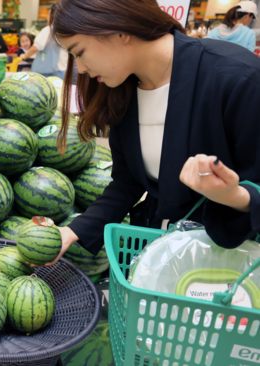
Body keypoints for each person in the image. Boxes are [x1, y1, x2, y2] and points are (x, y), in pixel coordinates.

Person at [36, 0, 260, 267]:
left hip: (229, 261)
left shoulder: (237, 79)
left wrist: (232, 195)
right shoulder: (122, 90)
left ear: (118, 29)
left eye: (79, 52)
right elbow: (127, 183)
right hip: (160, 254)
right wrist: (73, 231)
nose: (80, 68)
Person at [17, 5, 72, 81]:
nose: (47, 17)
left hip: (50, 72)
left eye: (49, 14)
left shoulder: (48, 30)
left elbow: (36, 47)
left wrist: (25, 56)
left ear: (53, 16)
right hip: (63, 69)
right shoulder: (66, 30)